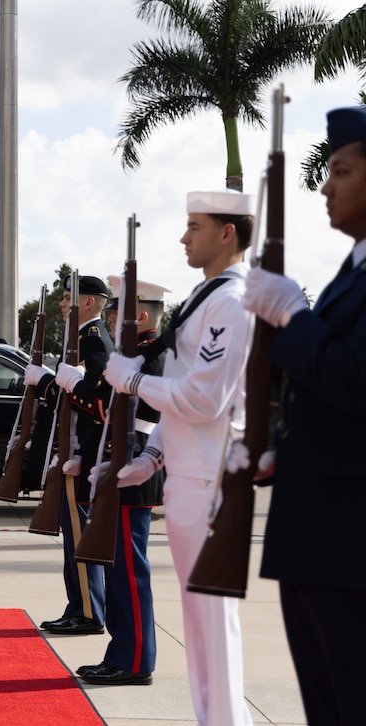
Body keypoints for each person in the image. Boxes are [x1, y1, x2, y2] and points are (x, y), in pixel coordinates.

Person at [105, 190, 254, 724]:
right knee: (200, 626)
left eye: (195, 226)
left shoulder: (232, 301)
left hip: (212, 482)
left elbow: (204, 398)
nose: (184, 236)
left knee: (214, 628)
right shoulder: (204, 295)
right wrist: (152, 456)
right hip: (190, 477)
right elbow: (185, 399)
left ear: (227, 233)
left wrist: (133, 379)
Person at [242, 106, 366, 725]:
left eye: (341, 170)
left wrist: (293, 313)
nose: (326, 184)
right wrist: (281, 449)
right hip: (320, 534)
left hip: (351, 544)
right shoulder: (355, 268)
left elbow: (353, 377)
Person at [78, 277, 169, 687]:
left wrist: (120, 460)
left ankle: (134, 660)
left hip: (136, 469)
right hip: (121, 466)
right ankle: (122, 653)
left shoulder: (155, 355)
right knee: (119, 570)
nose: (112, 322)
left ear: (142, 317)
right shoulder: (135, 355)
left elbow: (146, 414)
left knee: (130, 572)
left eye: (118, 315)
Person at [27, 274, 113, 635]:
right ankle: (77, 606)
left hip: (82, 454)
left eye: (67, 299)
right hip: (70, 453)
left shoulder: (93, 343)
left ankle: (89, 613)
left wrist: (47, 381)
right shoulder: (79, 341)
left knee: (80, 538)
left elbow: (98, 404)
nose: (62, 306)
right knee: (72, 537)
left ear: (88, 303)